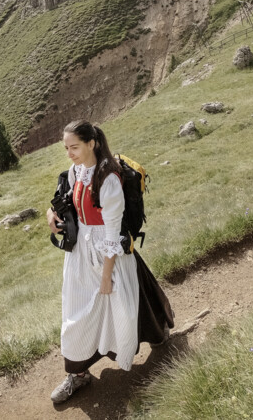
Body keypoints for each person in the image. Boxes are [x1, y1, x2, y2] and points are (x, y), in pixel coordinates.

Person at [47, 121, 174, 404]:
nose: (69, 154)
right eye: (66, 148)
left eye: (74, 147)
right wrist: (51, 216)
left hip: (106, 254)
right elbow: (64, 201)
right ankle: (77, 374)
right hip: (81, 255)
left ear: (91, 143)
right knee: (76, 314)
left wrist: (106, 276)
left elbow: (113, 232)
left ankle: (159, 335)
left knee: (122, 304)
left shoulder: (110, 180)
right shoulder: (76, 170)